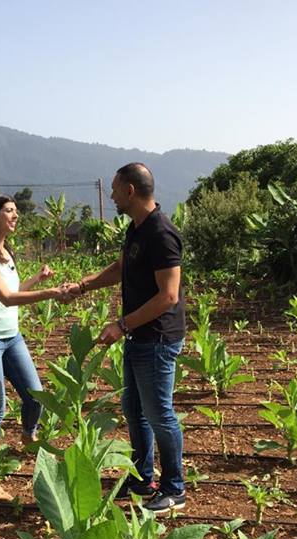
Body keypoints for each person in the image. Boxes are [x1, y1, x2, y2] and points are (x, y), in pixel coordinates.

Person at [67, 162, 187, 514]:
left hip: (157, 338)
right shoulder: (137, 228)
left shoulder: (161, 233)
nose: (112, 195)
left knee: (159, 413)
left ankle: (174, 489)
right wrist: (84, 285)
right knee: (134, 410)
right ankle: (142, 477)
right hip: (140, 336)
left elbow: (168, 296)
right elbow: (121, 268)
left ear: (131, 191)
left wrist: (123, 325)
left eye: (115, 190)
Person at [0, 193, 72, 502]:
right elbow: (6, 298)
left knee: (35, 396)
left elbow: (11, 291)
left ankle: (27, 434)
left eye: (16, 211)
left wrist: (37, 279)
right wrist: (51, 292)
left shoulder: (6, 252)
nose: (15, 215)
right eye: (9, 211)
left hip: (10, 336)